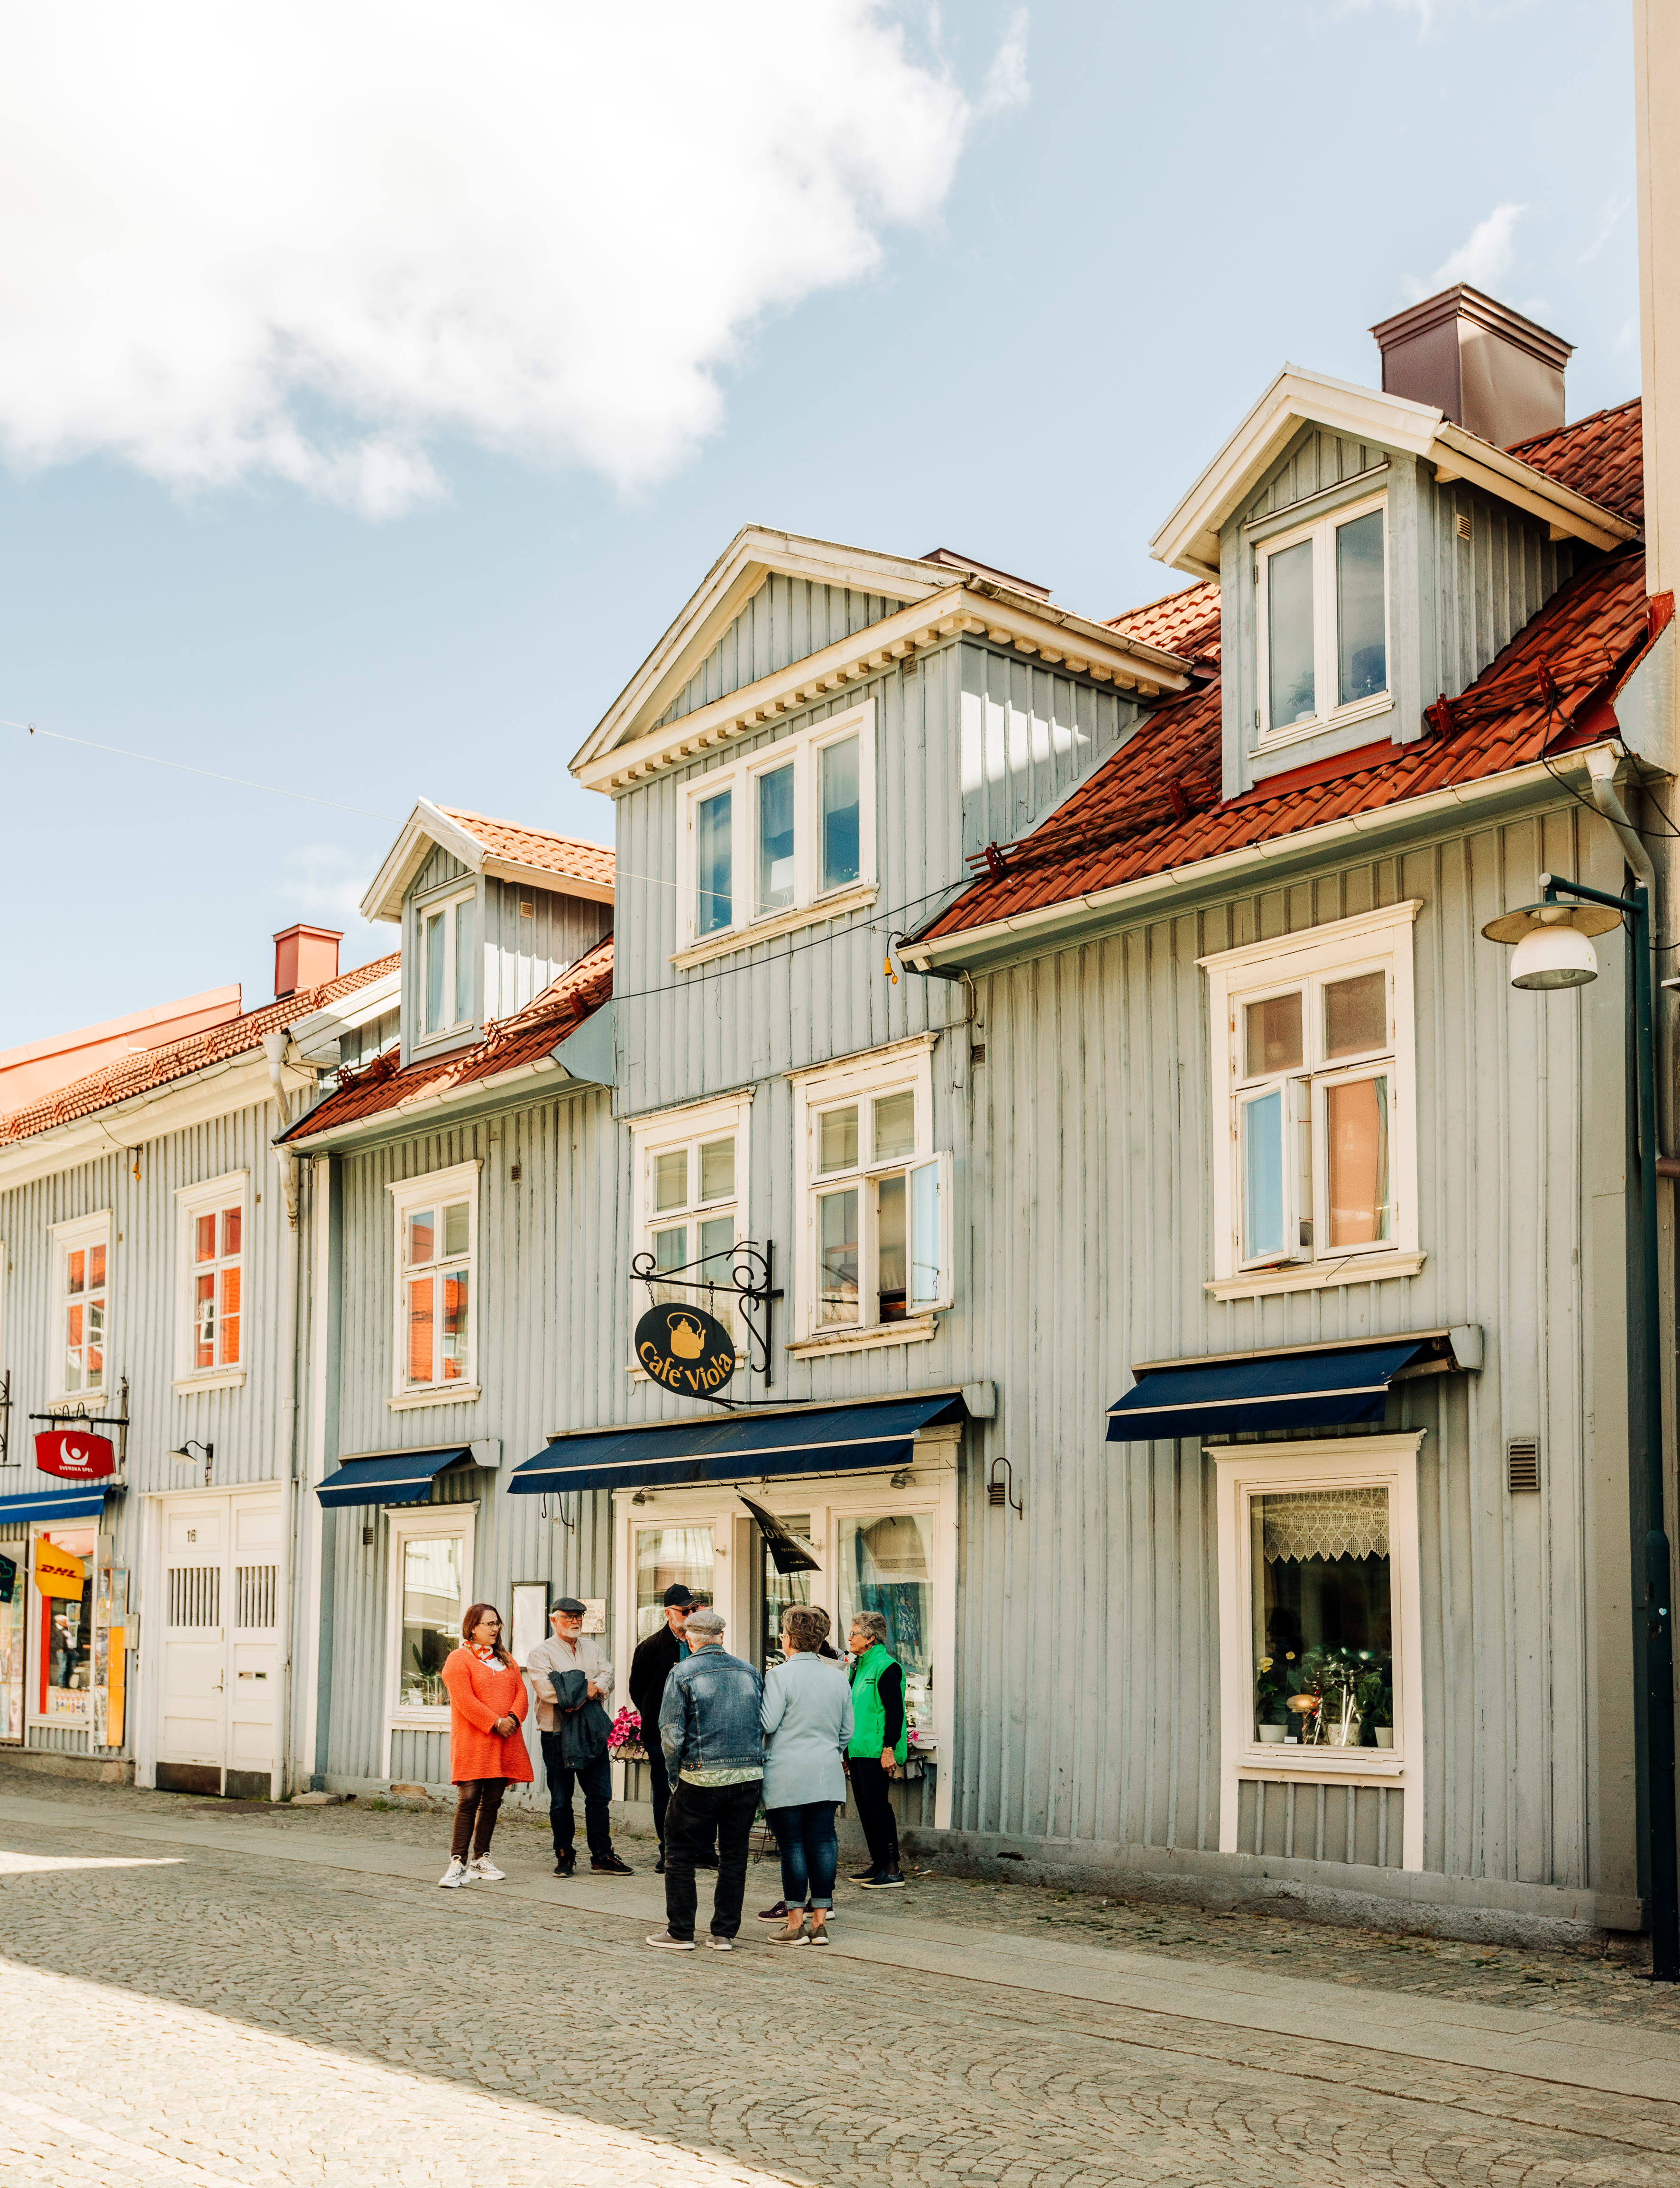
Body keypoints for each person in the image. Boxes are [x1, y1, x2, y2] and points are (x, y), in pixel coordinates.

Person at [645, 1605, 763, 1951]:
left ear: (688, 1638)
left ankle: (681, 1931)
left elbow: (671, 1733)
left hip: (700, 1776)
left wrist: (674, 1777)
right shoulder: (750, 1672)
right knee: (734, 1855)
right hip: (747, 1775)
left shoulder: (682, 1673)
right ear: (721, 1636)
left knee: (680, 1853)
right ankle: (724, 1933)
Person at [759, 1603, 853, 1946]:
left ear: (789, 1638)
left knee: (792, 1846)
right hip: (826, 1770)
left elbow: (768, 1723)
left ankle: (795, 1923)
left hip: (786, 1771)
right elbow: (847, 1731)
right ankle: (820, 1922)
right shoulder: (837, 1676)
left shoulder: (779, 1676)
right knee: (824, 1841)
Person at [528, 1597, 633, 1877]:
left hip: (591, 1731)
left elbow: (608, 1675)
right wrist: (587, 1688)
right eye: (568, 1616)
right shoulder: (541, 1654)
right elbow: (547, 1691)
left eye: (579, 1617)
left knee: (599, 1797)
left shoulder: (593, 1647)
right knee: (561, 1800)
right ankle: (564, 1855)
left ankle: (602, 1856)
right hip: (557, 1733)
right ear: (554, 1620)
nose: (575, 1621)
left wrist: (575, 1686)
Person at [438, 1602, 532, 1888]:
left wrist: (513, 1719)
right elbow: (464, 1700)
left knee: (492, 1802)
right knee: (468, 1800)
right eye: (489, 1624)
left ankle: (481, 1859)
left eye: (497, 1623)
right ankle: (458, 1864)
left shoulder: (506, 1659)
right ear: (472, 1628)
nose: (495, 1629)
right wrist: (495, 1722)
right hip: (473, 1742)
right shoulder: (459, 1659)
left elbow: (521, 1692)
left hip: (505, 1741)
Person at [628, 1582, 697, 1875]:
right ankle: (667, 1850)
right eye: (685, 1611)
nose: (691, 1615)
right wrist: (658, 1718)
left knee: (697, 1791)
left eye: (694, 1609)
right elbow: (638, 1691)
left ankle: (698, 1849)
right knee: (664, 1792)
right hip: (661, 1734)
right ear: (669, 1613)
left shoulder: (700, 1643)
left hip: (696, 1732)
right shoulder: (650, 1647)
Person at [845, 1610, 907, 1888]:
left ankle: (892, 1870)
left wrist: (889, 1748)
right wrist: (846, 1753)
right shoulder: (858, 1667)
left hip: (876, 1751)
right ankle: (879, 1862)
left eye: (855, 1634)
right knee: (866, 1809)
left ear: (871, 1638)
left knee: (878, 1808)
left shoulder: (886, 1667)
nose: (850, 1638)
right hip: (858, 1750)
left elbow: (895, 1713)